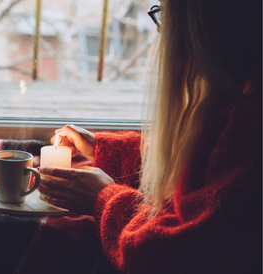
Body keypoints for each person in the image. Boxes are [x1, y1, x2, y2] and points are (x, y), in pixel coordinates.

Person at [38, 0, 262, 273]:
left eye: (166, 16)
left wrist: (103, 198)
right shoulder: (243, 101)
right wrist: (104, 150)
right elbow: (198, 180)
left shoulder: (250, 127)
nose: (161, 32)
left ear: (205, 26)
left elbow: (169, 253)